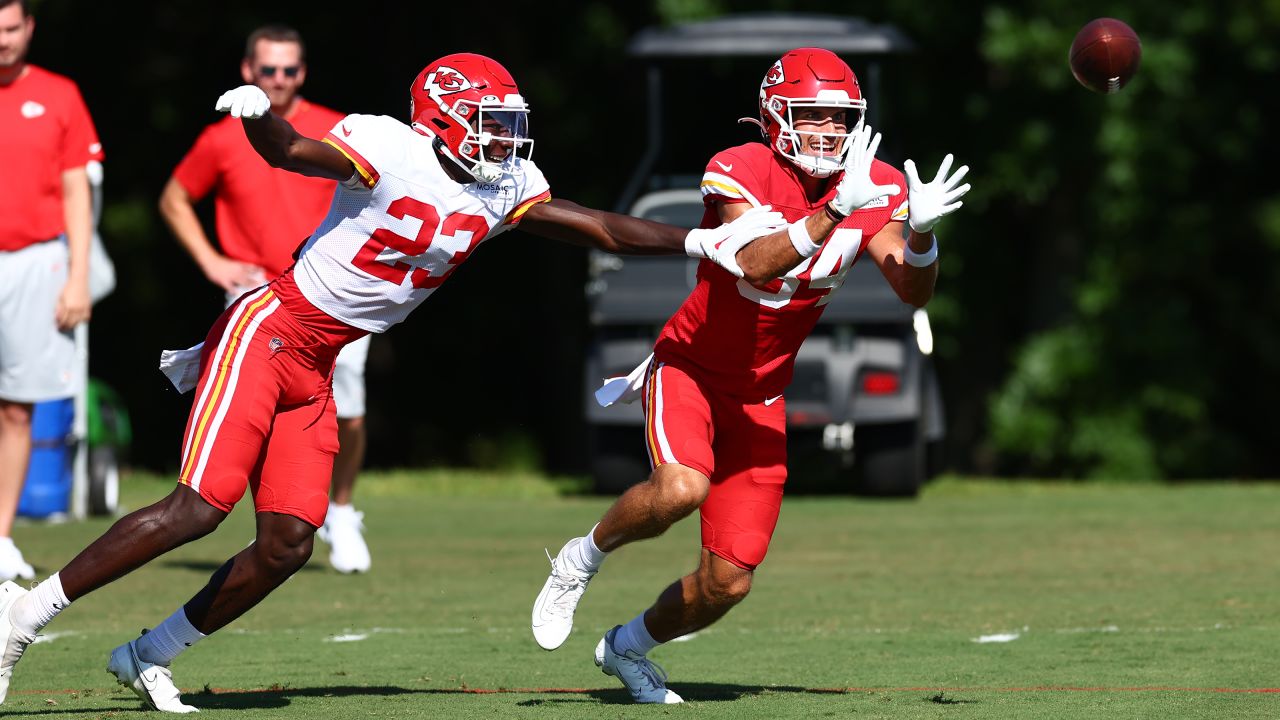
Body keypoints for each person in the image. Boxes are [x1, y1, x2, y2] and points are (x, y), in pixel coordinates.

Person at [0, 52, 782, 712]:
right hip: (269, 329)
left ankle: (149, 653)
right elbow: (295, 152)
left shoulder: (505, 185)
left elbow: (598, 226)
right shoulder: (390, 146)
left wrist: (698, 243)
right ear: (442, 119)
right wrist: (258, 120)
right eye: (490, 124)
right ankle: (23, 617)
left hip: (320, 360)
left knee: (286, 544)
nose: (505, 141)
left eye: (511, 126)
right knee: (198, 509)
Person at [530, 47, 972, 704]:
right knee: (681, 487)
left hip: (761, 395)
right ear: (774, 116)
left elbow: (911, 291)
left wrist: (923, 239)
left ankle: (626, 648)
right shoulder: (738, 168)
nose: (827, 131)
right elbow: (756, 264)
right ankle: (581, 557)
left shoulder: (874, 183)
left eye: (839, 118)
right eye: (811, 115)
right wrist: (829, 212)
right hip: (692, 369)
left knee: (727, 583)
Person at [158, 24, 373, 575]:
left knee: (348, 411)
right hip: (253, 292)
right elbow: (175, 198)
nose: (279, 79)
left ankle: (342, 510)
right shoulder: (220, 138)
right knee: (251, 413)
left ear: (302, 72)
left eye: (289, 70)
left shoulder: (337, 128)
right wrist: (211, 261)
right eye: (268, 70)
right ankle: (270, 523)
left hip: (335, 292)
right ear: (248, 72)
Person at [0, 0, 100, 581]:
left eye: (12, 28)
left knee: (17, 408)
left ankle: (2, 534)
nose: (4, 40)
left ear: (29, 28)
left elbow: (75, 192)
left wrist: (78, 274)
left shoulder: (60, 95)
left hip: (35, 262)